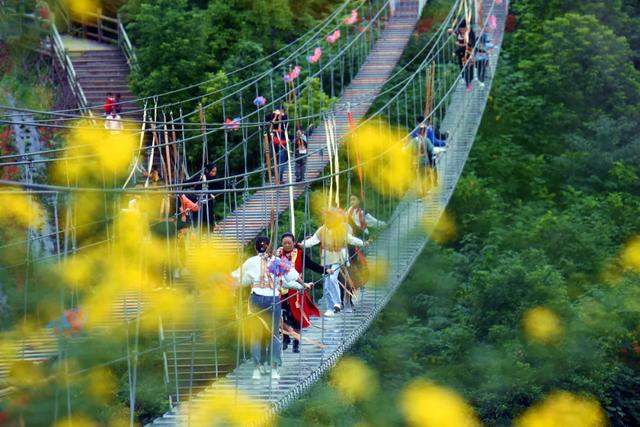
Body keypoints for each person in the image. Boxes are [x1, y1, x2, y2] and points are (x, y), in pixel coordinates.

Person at [231, 236, 310, 380]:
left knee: (256, 334)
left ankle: (257, 368)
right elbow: (292, 276)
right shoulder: (277, 261)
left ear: (256, 249)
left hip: (256, 299)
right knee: (274, 334)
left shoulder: (250, 262)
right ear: (270, 247)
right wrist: (303, 285)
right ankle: (274, 369)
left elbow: (238, 278)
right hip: (272, 300)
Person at [302, 208, 366, 316]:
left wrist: (362, 243)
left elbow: (350, 239)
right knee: (326, 285)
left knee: (332, 278)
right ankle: (330, 308)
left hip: (338, 258)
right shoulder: (322, 230)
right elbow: (313, 241)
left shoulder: (341, 229)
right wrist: (301, 244)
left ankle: (338, 303)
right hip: (326, 258)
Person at [276, 232, 327, 353]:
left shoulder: (300, 254)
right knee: (283, 315)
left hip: (297, 289)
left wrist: (325, 270)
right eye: (285, 243)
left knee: (297, 316)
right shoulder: (278, 255)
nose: (287, 245)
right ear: (281, 244)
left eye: (289, 243)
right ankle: (286, 338)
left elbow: (312, 265)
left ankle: (296, 343)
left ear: (294, 243)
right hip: (282, 289)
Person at [182, 162, 223, 228]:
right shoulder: (200, 177)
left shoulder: (214, 179)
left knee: (209, 216)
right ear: (207, 170)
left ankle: (209, 230)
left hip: (208, 202)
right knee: (200, 219)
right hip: (199, 201)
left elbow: (221, 185)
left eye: (215, 172)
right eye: (212, 171)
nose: (213, 174)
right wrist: (182, 184)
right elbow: (189, 183)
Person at [450, 20, 476, 92]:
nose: (461, 31)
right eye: (460, 29)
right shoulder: (459, 32)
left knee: (469, 68)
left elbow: (470, 44)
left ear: (466, 28)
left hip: (469, 53)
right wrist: (450, 31)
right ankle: (464, 78)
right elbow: (454, 32)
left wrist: (459, 44)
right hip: (461, 53)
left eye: (462, 29)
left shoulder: (470, 33)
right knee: (462, 67)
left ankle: (468, 84)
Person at [265, 108, 289, 183]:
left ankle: (278, 178)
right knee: (281, 162)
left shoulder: (281, 122)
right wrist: (278, 116)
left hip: (275, 142)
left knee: (277, 161)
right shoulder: (284, 122)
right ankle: (279, 179)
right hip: (281, 143)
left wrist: (276, 116)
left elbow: (271, 127)